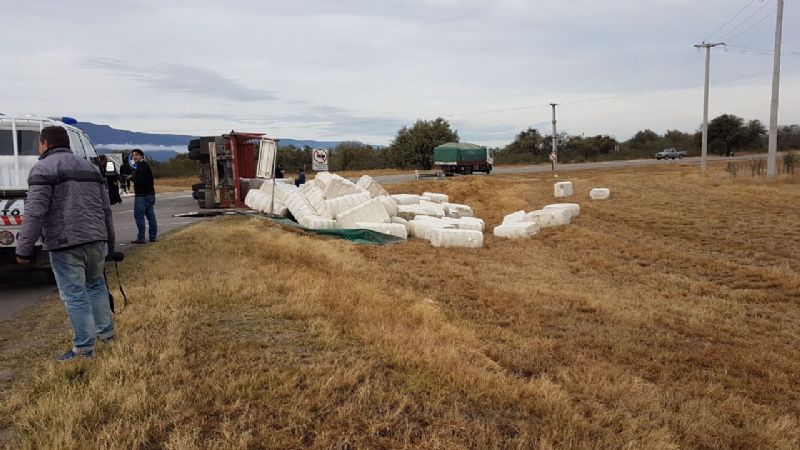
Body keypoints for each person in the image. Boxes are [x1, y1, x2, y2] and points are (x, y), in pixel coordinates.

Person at [16, 126, 115, 361]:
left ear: (45, 143)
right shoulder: (91, 168)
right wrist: (110, 241)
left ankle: (83, 349)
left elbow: (35, 212)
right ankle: (107, 335)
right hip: (96, 239)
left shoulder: (43, 168)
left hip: (65, 241)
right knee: (96, 286)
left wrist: (24, 247)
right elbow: (106, 209)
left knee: (75, 294)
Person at [129, 149, 158, 244]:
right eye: (133, 155)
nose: (134, 157)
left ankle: (141, 237)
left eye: (136, 155)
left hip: (142, 195)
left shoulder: (142, 166)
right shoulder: (145, 166)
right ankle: (153, 236)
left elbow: (139, 180)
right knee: (151, 216)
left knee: (139, 216)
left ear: (142, 156)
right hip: (150, 194)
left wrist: (131, 178)